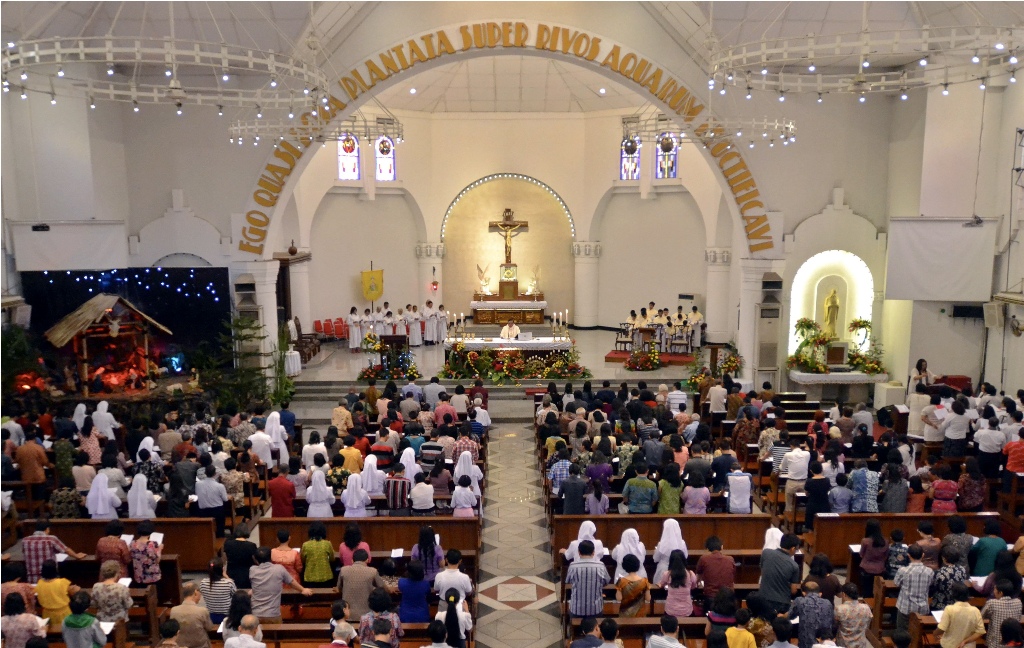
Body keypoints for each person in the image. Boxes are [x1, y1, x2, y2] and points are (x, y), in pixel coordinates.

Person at [249, 547, 311, 624]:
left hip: (255, 614)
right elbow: (291, 582)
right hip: (273, 614)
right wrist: (303, 590)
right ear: (270, 557)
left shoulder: (252, 570)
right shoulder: (279, 569)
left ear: (255, 559)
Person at [566, 540, 611, 619]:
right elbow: (606, 581)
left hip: (576, 609)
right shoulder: (600, 566)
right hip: (596, 610)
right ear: (593, 553)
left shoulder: (573, 566)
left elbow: (568, 581)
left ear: (579, 552)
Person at [893, 544, 932, 633]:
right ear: (923, 555)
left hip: (905, 607)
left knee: (902, 632)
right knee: (918, 633)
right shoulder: (929, 571)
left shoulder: (903, 571)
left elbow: (896, 583)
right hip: (922, 607)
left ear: (908, 555)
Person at [759, 533, 801, 616]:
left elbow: (763, 571)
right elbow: (793, 590)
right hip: (782, 604)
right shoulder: (794, 566)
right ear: (793, 548)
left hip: (763, 598)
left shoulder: (766, 553)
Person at [935, 583, 985, 648]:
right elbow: (980, 631)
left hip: (949, 645)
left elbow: (941, 629)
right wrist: (965, 641)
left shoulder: (949, 609)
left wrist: (935, 633)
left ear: (953, 594)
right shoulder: (975, 611)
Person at [787, 581, 834, 648]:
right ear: (819, 593)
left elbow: (790, 616)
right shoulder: (828, 603)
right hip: (824, 644)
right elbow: (832, 621)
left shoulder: (799, 601)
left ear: (803, 593)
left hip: (806, 643)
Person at [169, 581, 216, 648]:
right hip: (200, 646)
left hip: (180, 645)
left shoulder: (173, 610)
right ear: (195, 593)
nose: (200, 597)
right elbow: (209, 628)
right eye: (200, 593)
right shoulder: (202, 611)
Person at [981, 579, 1023, 648]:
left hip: (994, 643)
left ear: (1000, 592)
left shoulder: (992, 603)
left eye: (995, 589)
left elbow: (981, 616)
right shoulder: (1018, 602)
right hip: (1013, 643)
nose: (993, 592)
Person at [36, 559, 77, 628]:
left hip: (47, 614)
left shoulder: (39, 583)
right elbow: (73, 593)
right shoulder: (62, 582)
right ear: (55, 569)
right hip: (64, 614)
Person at [833, 582, 872, 648]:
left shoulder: (840, 609)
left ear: (844, 594)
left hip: (844, 643)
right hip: (860, 643)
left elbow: (835, 626)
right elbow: (867, 624)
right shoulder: (866, 608)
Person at [660, 549, 697, 618]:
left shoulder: (667, 574)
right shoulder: (691, 574)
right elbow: (694, 586)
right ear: (684, 560)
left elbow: (661, 585)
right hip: (686, 611)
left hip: (670, 611)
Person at [696, 536, 735, 600]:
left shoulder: (703, 559)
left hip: (710, 596)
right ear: (722, 547)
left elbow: (698, 577)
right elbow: (732, 576)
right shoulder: (730, 559)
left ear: (707, 548)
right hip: (728, 597)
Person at [199, 558, 236, 624]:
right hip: (227, 616)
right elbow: (235, 596)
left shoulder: (203, 583)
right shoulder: (228, 583)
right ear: (222, 569)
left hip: (211, 616)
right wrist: (226, 576)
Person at [614, 553, 650, 618]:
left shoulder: (621, 581)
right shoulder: (645, 581)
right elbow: (648, 598)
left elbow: (619, 598)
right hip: (640, 614)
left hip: (625, 614)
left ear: (624, 566)